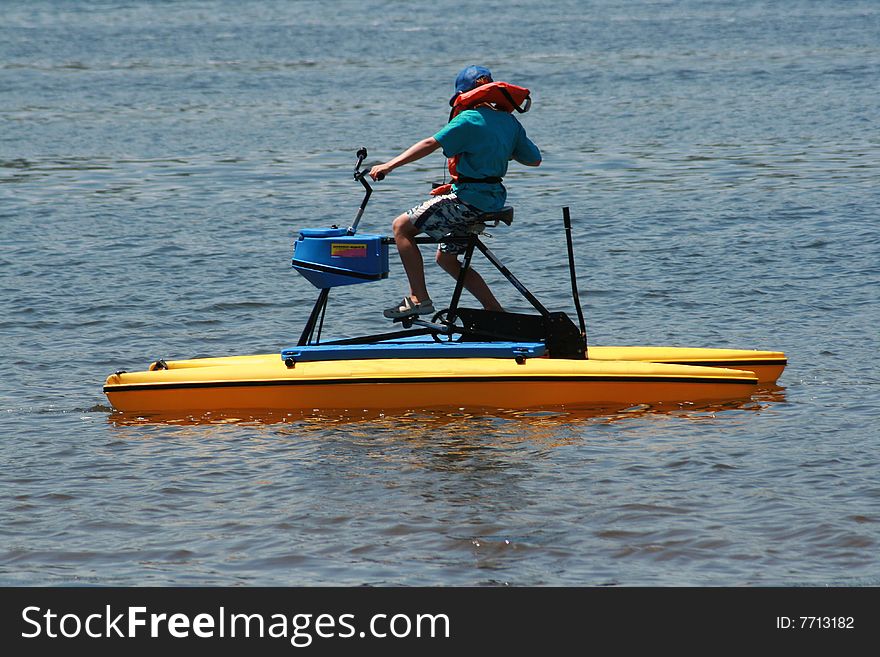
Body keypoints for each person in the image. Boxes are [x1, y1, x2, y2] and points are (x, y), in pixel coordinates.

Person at [369, 65, 542, 319]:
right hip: (491, 199)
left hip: (468, 201)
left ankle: (419, 299)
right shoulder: (509, 121)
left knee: (401, 228)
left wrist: (388, 165)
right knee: (446, 258)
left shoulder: (468, 119)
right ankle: (494, 310)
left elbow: (430, 143)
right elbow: (534, 159)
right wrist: (499, 146)